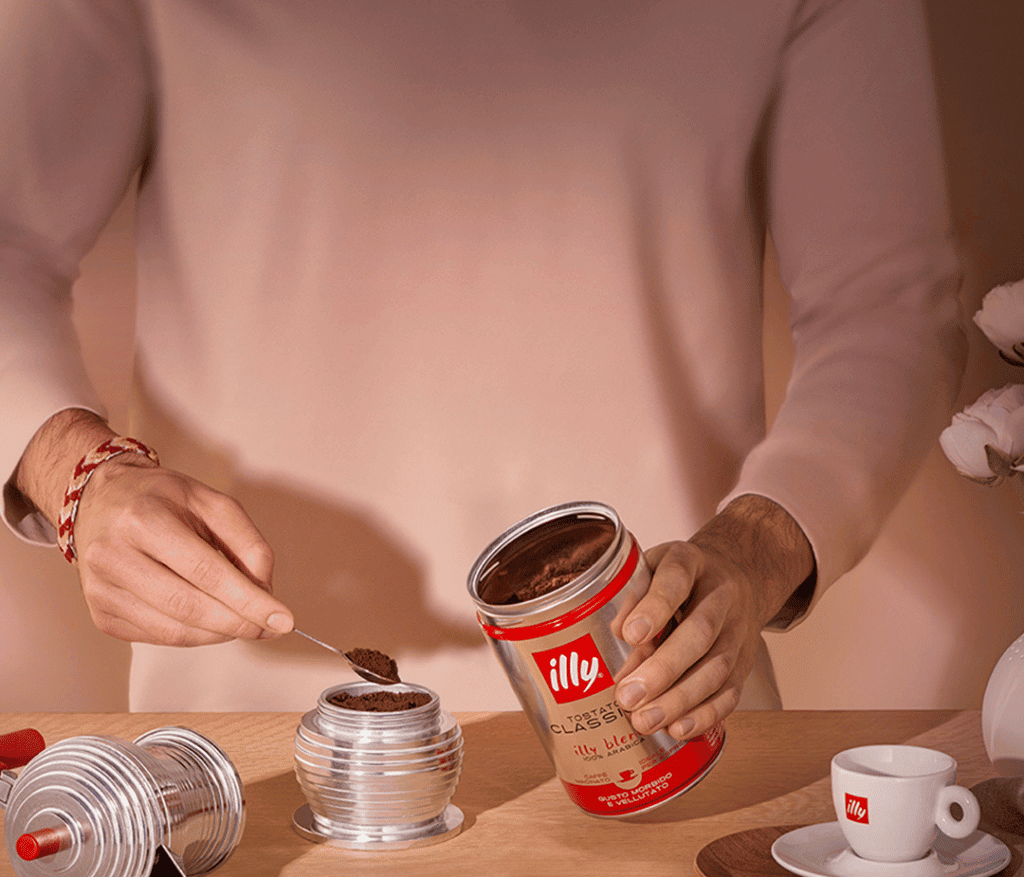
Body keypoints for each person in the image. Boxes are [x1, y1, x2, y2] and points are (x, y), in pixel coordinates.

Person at [0, 0, 964, 733]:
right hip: (244, 753)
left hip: (660, 732)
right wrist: (73, 470)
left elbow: (888, 306)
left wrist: (757, 549)